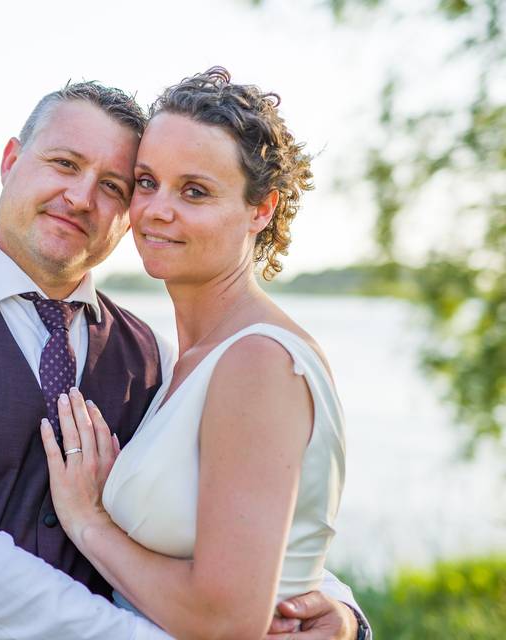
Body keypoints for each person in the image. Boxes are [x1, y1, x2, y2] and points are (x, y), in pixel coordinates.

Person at [0, 79, 366, 639]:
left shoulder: (154, 356)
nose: (82, 198)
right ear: (11, 160)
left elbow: (237, 520)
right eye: (64, 163)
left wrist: (337, 607)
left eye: (114, 184)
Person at [40, 67, 371, 639]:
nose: (156, 210)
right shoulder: (182, 361)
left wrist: (90, 521)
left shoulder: (258, 362)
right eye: (146, 182)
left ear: (261, 209)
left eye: (195, 191)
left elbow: (225, 620)